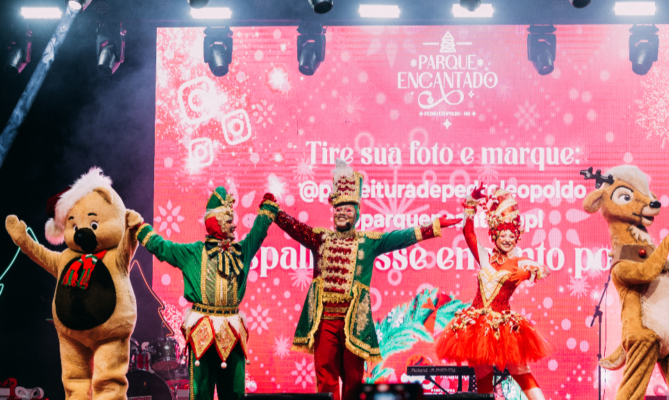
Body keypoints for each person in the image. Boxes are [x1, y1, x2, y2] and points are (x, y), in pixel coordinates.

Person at [271, 159, 461, 400]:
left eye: (347, 208)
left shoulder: (368, 241)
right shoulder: (320, 238)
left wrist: (432, 226)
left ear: (356, 213)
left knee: (353, 380)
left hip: (355, 321)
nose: (341, 212)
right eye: (338, 208)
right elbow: (296, 227)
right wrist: (274, 212)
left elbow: (399, 237)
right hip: (325, 319)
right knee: (326, 378)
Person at [134, 187, 279, 400]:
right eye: (229, 221)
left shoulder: (241, 252)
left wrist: (267, 211)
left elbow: (257, 234)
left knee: (235, 393)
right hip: (203, 330)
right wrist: (140, 229)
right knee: (201, 393)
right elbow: (163, 248)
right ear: (216, 223)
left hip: (232, 332)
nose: (234, 225)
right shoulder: (193, 252)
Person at [435, 184, 554, 400]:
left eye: (511, 235)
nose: (507, 239)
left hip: (504, 327)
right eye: (503, 234)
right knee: (483, 377)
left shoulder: (519, 261)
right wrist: (471, 203)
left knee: (522, 373)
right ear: (494, 234)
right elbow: (468, 232)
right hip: (476, 327)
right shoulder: (485, 257)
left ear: (516, 237)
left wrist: (528, 273)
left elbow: (545, 270)